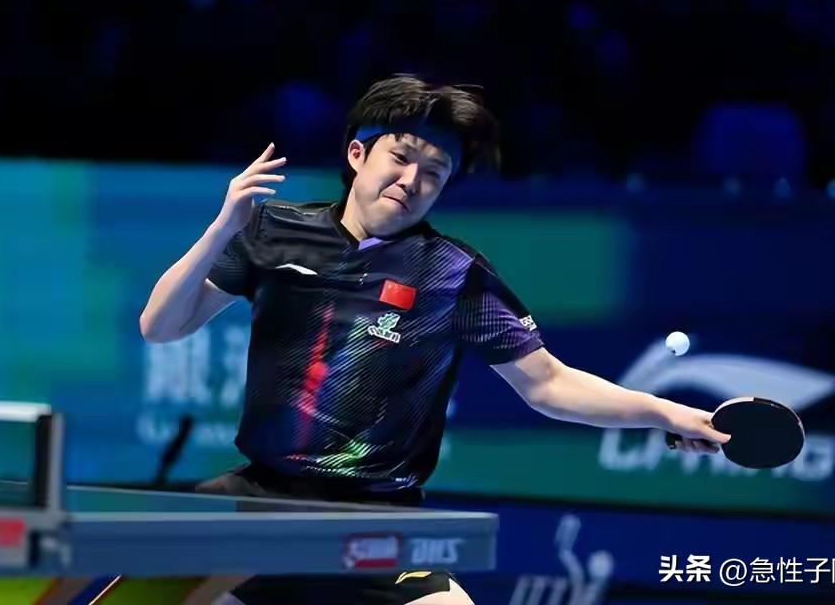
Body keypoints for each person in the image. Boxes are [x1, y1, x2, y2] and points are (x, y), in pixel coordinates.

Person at [139, 74, 729, 605]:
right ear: (357, 154)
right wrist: (222, 229)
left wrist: (670, 413)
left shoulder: (453, 274)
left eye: (434, 173)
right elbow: (160, 326)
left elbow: (548, 383)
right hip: (259, 504)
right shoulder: (273, 231)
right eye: (400, 158)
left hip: (376, 523)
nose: (411, 181)